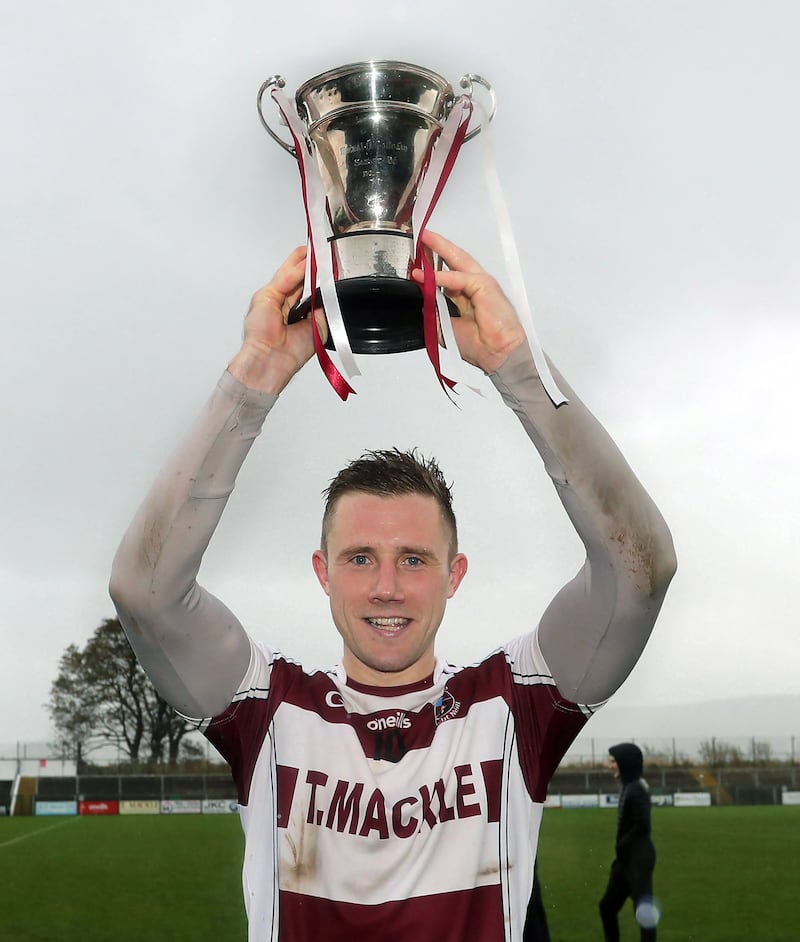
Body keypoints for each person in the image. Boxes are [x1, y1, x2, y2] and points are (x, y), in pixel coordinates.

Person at [109, 230, 676, 942]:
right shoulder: (270, 711)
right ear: (322, 572)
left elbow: (639, 570)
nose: (385, 587)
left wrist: (519, 370)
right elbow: (145, 592)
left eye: (413, 559)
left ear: (453, 574)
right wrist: (252, 376)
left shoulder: (513, 704)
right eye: (358, 558)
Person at [599, 743, 658, 942]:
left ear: (625, 763)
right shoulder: (629, 786)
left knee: (644, 913)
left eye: (614, 761)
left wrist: (622, 843)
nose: (610, 766)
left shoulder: (637, 790)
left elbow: (643, 825)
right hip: (625, 860)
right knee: (607, 907)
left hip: (638, 860)